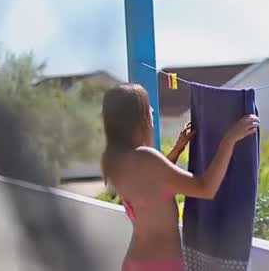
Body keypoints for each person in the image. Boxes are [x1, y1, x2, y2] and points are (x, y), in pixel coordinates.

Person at [100, 83, 259, 271]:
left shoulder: (117, 161)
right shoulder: (146, 158)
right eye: (147, 106)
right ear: (137, 119)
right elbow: (205, 188)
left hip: (135, 263)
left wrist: (177, 149)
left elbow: (154, 184)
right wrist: (229, 139)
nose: (152, 110)